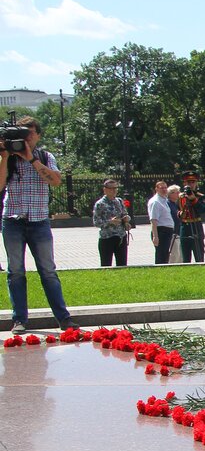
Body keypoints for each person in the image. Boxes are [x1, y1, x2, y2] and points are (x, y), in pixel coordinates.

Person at [1, 117, 78, 332]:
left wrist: (31, 159)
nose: (26, 136)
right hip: (13, 220)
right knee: (15, 271)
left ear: (38, 135)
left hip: (39, 221)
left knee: (48, 270)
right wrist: (6, 156)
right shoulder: (8, 158)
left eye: (31, 132)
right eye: (22, 132)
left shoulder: (45, 156)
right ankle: (19, 320)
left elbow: (55, 181)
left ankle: (63, 318)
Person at [92, 179, 132, 267]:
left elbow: (125, 214)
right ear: (105, 190)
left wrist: (126, 221)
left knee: (122, 265)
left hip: (121, 237)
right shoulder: (100, 204)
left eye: (115, 188)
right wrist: (110, 222)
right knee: (106, 265)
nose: (114, 190)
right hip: (107, 238)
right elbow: (96, 222)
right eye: (111, 188)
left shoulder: (119, 201)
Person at [178, 173, 205, 263]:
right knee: (185, 257)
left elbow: (203, 210)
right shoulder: (181, 197)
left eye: (193, 182)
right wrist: (182, 212)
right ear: (184, 183)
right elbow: (178, 212)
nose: (191, 184)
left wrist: (194, 200)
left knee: (199, 255)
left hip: (196, 226)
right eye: (188, 182)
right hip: (185, 226)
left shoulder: (200, 196)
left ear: (196, 183)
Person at [147, 180, 174, 265]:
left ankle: (164, 269)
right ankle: (159, 269)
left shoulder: (164, 200)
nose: (164, 190)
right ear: (156, 189)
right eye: (161, 188)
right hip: (161, 231)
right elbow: (153, 220)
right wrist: (155, 236)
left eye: (165, 188)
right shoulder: (156, 202)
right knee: (161, 255)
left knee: (165, 254)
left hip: (167, 231)